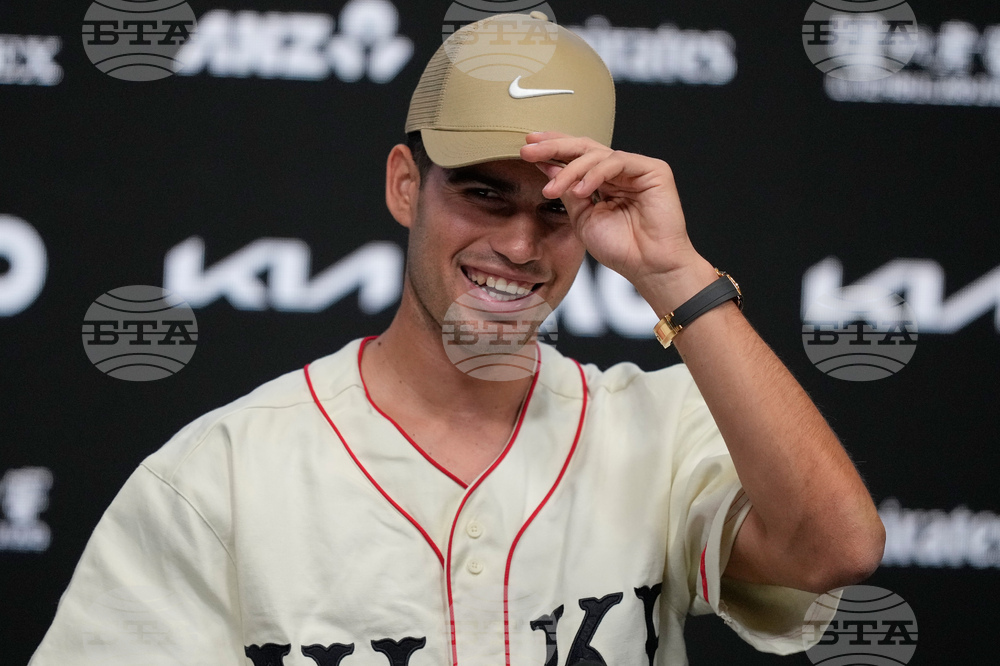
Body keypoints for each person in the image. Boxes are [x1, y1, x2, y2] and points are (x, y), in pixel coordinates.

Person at [30, 12, 884, 666]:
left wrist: (675, 275)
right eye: (483, 195)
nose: (518, 246)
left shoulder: (653, 429)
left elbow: (835, 547)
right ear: (407, 186)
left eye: (558, 209)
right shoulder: (218, 474)